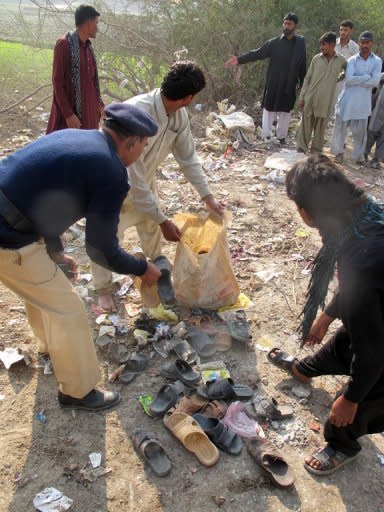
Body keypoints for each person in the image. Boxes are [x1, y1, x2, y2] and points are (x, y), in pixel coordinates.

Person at [0, 104, 161, 411]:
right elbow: (100, 248)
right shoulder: (111, 170)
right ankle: (77, 391)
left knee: (44, 287)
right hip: (7, 236)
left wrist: (55, 250)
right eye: (143, 144)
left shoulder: (78, 137)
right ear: (130, 142)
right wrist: (141, 268)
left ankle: (51, 348)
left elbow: (41, 196)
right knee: (70, 308)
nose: (141, 152)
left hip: (10, 217)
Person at [268, 154, 384, 476]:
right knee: (348, 337)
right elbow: (364, 292)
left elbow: (373, 350)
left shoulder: (361, 256)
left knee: (364, 390)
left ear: (306, 213)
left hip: (381, 345)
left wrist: (350, 398)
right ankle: (306, 369)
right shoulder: (367, 216)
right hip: (376, 314)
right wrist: (328, 315)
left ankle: (343, 443)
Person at [91, 60, 224, 311]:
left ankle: (157, 271)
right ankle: (102, 289)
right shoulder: (136, 112)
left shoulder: (179, 116)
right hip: (113, 184)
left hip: (145, 182)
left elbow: (188, 158)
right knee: (105, 238)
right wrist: (164, 220)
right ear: (188, 97)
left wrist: (207, 197)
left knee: (150, 226)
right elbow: (133, 176)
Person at [225, 13, 306, 145]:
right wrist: (239, 59)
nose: (286, 26)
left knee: (286, 110)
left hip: (289, 82)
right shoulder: (274, 43)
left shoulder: (300, 43)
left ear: (295, 26)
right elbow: (257, 53)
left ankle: (281, 137)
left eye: (289, 24)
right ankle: (267, 136)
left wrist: (302, 82)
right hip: (274, 81)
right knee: (269, 109)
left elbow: (302, 63)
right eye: (285, 23)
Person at [46, 4, 103, 133]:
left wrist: (101, 106)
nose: (97, 28)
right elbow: (57, 82)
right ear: (88, 23)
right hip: (71, 121)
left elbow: (91, 83)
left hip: (90, 120)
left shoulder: (88, 47)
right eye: (96, 23)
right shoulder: (64, 45)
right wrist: (68, 115)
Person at [331, 31, 382, 164]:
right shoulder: (352, 60)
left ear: (371, 44)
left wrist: (361, 79)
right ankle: (338, 153)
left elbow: (375, 82)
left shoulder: (376, 61)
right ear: (359, 43)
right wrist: (366, 77)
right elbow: (349, 80)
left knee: (359, 133)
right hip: (347, 99)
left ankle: (357, 157)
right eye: (362, 42)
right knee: (340, 128)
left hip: (363, 102)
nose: (364, 45)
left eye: (367, 42)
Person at [296, 32, 346, 154]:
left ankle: (316, 151)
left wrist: (337, 79)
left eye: (324, 45)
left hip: (326, 100)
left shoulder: (341, 60)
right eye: (321, 45)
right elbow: (307, 78)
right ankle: (301, 148)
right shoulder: (317, 59)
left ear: (332, 45)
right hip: (311, 98)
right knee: (305, 126)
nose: (321, 48)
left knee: (320, 128)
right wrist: (302, 97)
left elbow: (347, 71)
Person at [364, 74, 384, 168]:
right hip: (378, 112)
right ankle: (364, 155)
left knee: (382, 139)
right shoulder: (382, 76)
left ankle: (375, 160)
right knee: (371, 135)